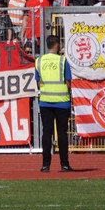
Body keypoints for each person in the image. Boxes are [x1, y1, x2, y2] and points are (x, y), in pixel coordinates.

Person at [36, 34, 73, 173]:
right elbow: (68, 83)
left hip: (45, 101)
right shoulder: (63, 61)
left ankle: (45, 165)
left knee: (47, 133)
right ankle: (64, 165)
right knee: (62, 134)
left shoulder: (39, 61)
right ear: (57, 45)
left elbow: (38, 83)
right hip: (62, 102)